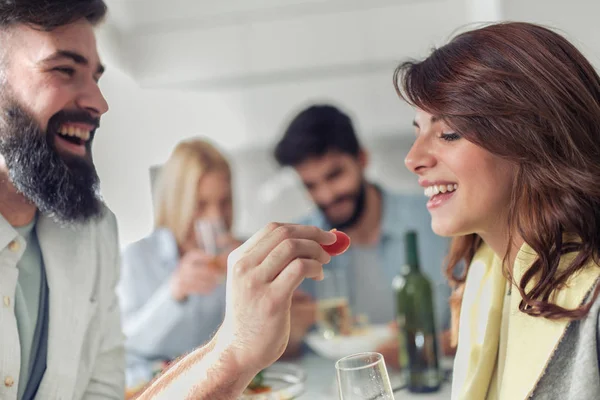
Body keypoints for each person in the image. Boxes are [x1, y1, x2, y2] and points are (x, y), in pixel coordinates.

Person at [0, 1, 340, 399]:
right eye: (63, 69)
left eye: (95, 77)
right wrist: (198, 314)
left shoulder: (94, 236)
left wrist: (278, 320)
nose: (100, 102)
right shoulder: (137, 256)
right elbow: (135, 352)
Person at [397, 22, 600, 400]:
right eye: (417, 131)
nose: (413, 159)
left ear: (532, 138)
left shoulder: (594, 304)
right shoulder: (485, 278)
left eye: (449, 133)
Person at [273, 104, 453, 364]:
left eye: (335, 175)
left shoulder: (435, 219)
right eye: (311, 185)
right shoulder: (297, 246)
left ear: (362, 159)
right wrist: (289, 330)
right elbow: (287, 353)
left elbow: (474, 330)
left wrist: (403, 351)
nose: (326, 195)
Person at [118, 138, 242, 385]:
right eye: (201, 204)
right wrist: (174, 294)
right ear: (177, 202)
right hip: (153, 386)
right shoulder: (137, 258)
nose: (215, 216)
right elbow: (125, 343)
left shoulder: (240, 254)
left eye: (224, 202)